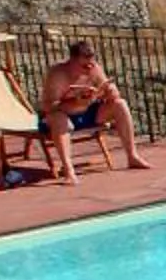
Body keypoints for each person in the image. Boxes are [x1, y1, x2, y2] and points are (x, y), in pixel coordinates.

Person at [35, 41, 156, 181]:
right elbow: (49, 107)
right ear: (72, 61)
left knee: (120, 104)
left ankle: (132, 156)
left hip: (89, 112)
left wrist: (110, 92)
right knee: (59, 119)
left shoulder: (94, 69)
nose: (89, 68)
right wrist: (74, 102)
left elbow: (113, 94)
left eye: (91, 63)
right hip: (63, 117)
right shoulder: (58, 74)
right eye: (84, 65)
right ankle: (68, 169)